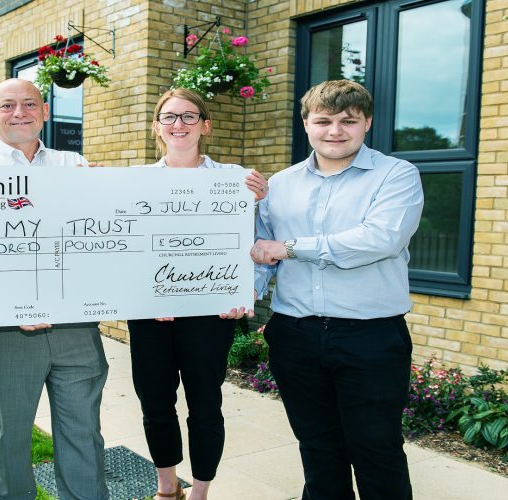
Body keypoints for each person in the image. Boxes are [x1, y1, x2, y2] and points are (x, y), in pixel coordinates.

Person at [250, 79, 423, 499]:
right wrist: (232, 298)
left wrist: (290, 248)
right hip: (296, 335)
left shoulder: (396, 175)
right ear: (306, 124)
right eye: (323, 120)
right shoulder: (280, 185)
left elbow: (379, 239)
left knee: (376, 449)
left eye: (348, 121)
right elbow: (258, 254)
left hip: (371, 337)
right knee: (317, 448)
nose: (335, 131)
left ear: (367, 124)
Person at [0, 78, 109, 500]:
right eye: (6, 105)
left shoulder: (74, 165)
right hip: (3, 333)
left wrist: (107, 196)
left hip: (74, 328)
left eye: (28, 104)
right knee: (11, 438)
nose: (18, 112)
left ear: (44, 111)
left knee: (83, 435)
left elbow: (95, 239)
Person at [127, 88, 268, 500]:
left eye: (189, 117)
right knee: (155, 404)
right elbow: (123, 248)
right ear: (157, 127)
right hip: (150, 315)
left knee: (205, 405)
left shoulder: (236, 180)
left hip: (210, 315)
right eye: (169, 117)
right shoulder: (135, 182)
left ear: (205, 125)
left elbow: (256, 245)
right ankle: (167, 488)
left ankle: (201, 491)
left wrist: (244, 291)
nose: (179, 125)